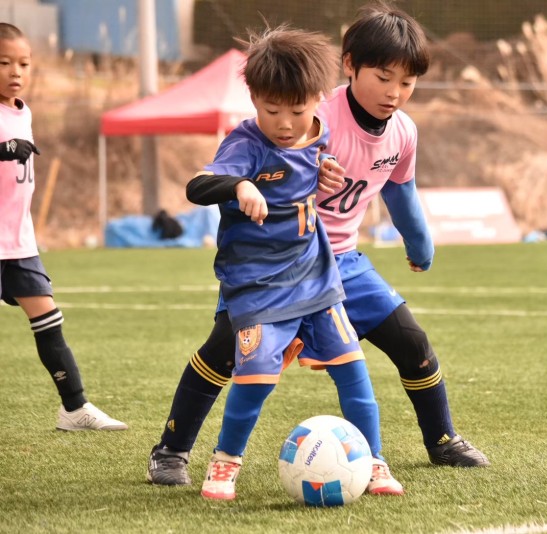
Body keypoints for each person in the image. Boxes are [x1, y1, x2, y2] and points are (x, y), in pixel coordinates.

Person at [148, 1, 489, 488]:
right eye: (383, 78)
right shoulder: (309, 111)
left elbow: (399, 189)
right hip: (273, 266)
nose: (394, 92)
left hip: (341, 261)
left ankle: (441, 440)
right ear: (350, 65)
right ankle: (172, 450)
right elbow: (243, 165)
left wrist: (419, 244)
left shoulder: (402, 132)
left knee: (410, 341)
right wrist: (248, 187)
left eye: (407, 82)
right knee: (225, 351)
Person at [186, 24, 403, 501]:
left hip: (315, 277)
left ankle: (373, 461)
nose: (285, 123)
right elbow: (198, 185)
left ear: (318, 100)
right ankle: (225, 462)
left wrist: (323, 172)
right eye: (272, 110)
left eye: (298, 110)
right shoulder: (246, 144)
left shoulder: (320, 133)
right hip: (258, 286)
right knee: (256, 378)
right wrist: (240, 185)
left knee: (353, 368)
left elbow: (306, 167)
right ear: (254, 99)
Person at [0, 23, 127, 431]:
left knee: (49, 321)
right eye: (4, 63)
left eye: (23, 63)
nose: (15, 71)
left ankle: (74, 409)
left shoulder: (23, 111)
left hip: (18, 243)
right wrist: (3, 150)